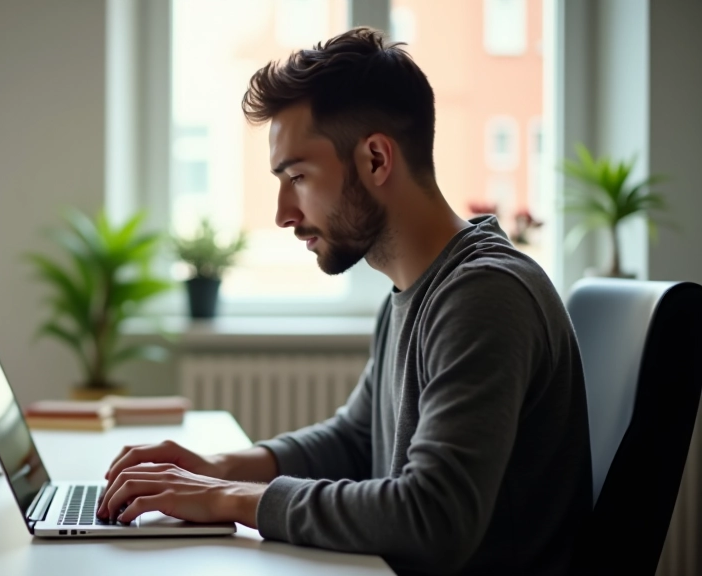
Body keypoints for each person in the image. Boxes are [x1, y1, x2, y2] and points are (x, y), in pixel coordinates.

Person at [97, 27, 592, 575]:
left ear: (376, 159)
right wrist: (215, 467)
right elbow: (357, 439)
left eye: (299, 177)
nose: (283, 213)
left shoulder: (484, 296)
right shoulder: (416, 289)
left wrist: (226, 499)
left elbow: (435, 518)